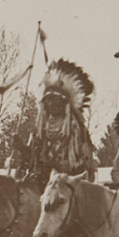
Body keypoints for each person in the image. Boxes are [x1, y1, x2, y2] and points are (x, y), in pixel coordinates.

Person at [23, 59, 96, 189]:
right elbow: (33, 159)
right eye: (48, 99)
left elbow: (83, 165)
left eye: (56, 99)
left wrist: (56, 166)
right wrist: (21, 149)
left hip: (66, 188)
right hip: (40, 183)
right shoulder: (39, 130)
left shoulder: (75, 130)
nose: (51, 103)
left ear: (65, 104)